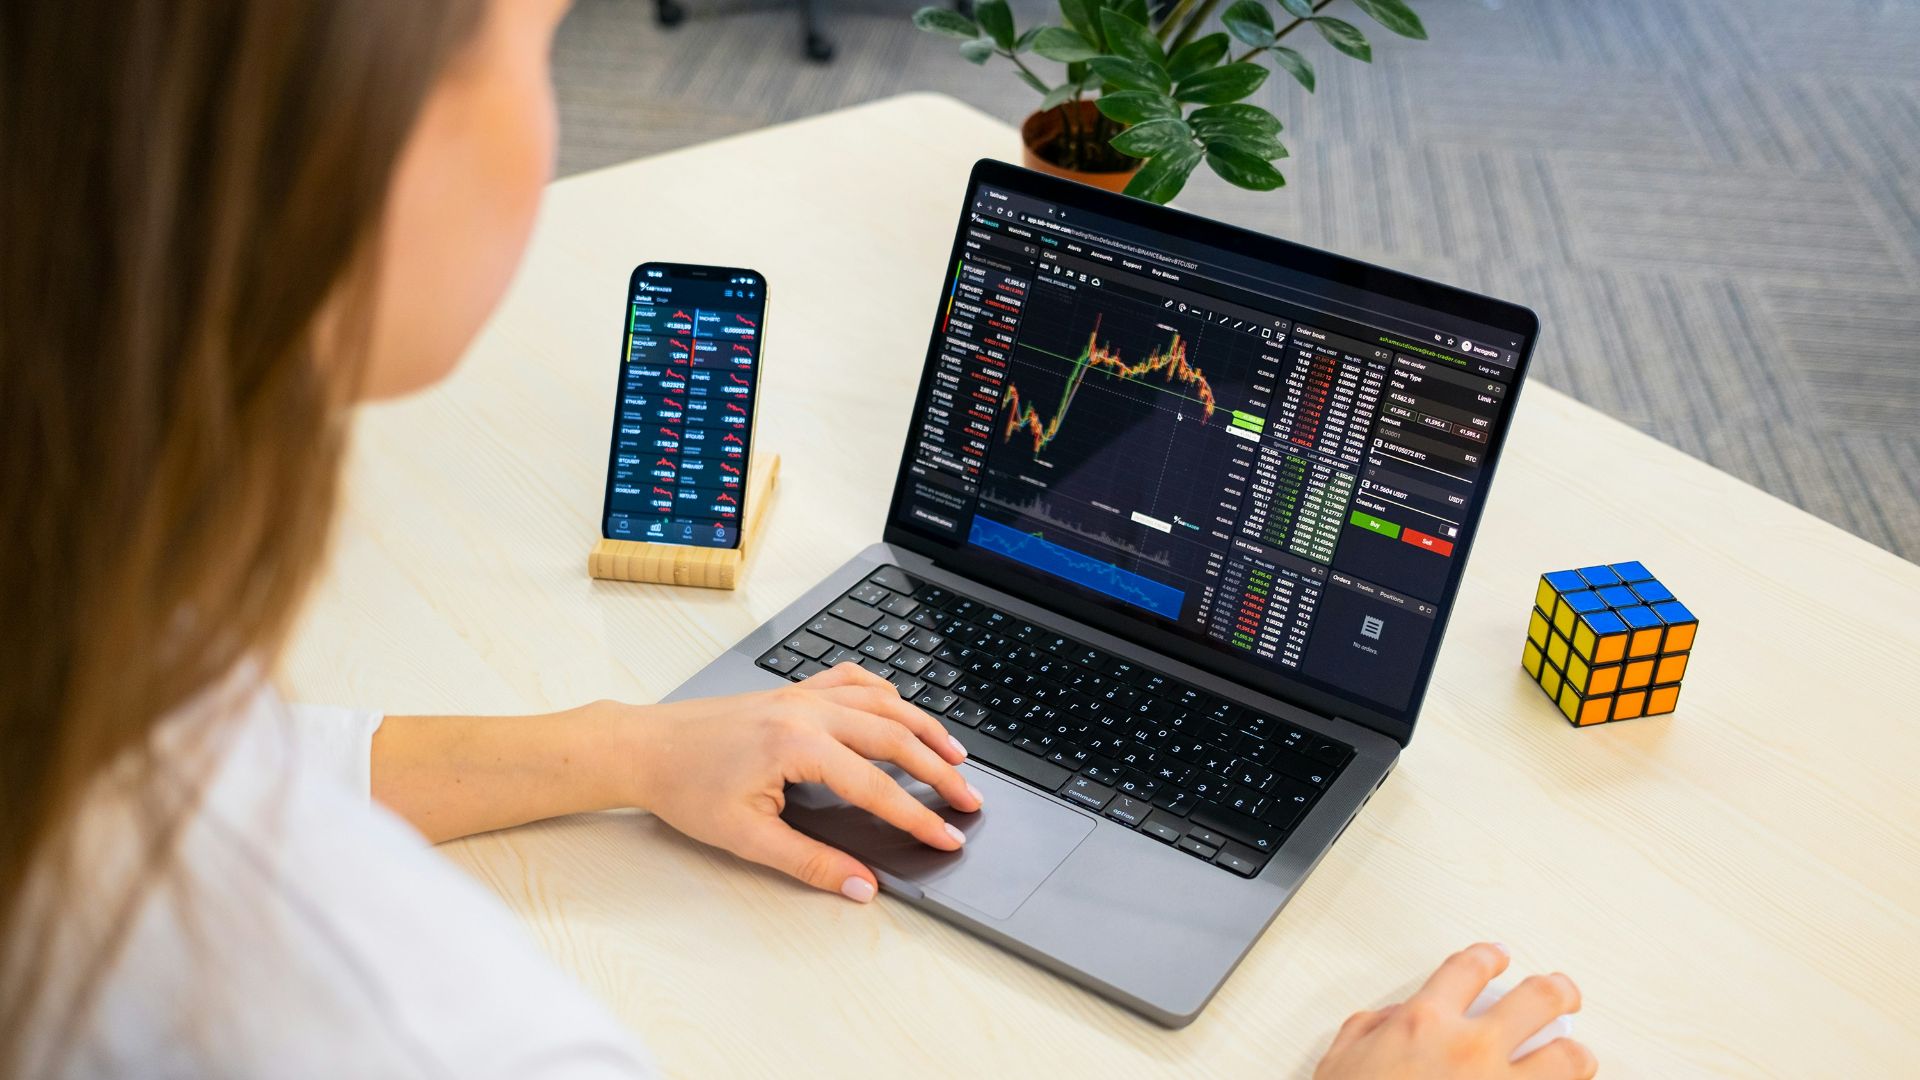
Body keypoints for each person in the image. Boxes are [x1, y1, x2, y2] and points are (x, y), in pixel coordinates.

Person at [0, 0, 1597, 1076]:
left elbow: (210, 765)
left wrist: (634, 747)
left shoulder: (66, 672)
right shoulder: (400, 1019)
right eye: (538, 43)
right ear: (342, 149)